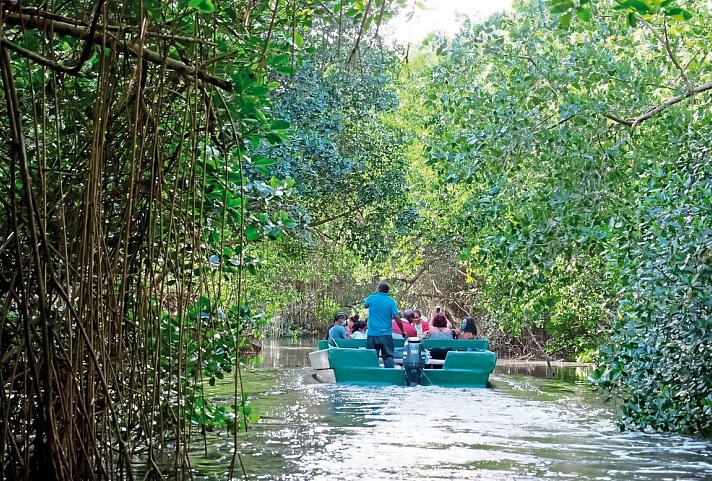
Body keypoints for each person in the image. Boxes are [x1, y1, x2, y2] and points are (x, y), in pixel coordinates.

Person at [364, 282, 400, 368]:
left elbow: (365, 305)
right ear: (387, 292)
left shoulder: (371, 298)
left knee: (371, 357)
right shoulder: (391, 301)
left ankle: (372, 377)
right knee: (388, 357)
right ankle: (390, 377)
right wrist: (402, 330)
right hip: (386, 334)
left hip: (373, 334)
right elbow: (396, 317)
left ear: (378, 289)